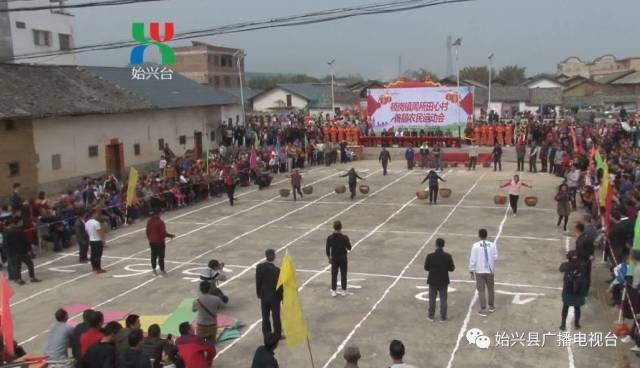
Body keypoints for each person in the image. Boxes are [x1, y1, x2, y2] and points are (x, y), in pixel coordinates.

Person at [469, 229, 498, 317]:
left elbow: (473, 259)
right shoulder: (492, 245)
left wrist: (471, 270)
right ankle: (491, 306)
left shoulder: (475, 246)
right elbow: (496, 257)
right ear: (486, 235)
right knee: (490, 289)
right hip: (490, 271)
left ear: (479, 235)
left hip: (479, 271)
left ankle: (483, 309)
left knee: (481, 290)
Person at [424, 238, 454, 322]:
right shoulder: (448, 256)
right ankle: (443, 317)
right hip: (443, 280)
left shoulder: (430, 256)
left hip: (432, 280)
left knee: (432, 299)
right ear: (443, 245)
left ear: (436, 245)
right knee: (443, 299)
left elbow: (426, 268)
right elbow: (452, 268)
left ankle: (431, 316)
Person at [3, 216, 40, 284]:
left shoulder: (6, 232)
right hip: (21, 251)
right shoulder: (19, 231)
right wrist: (28, 251)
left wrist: (7, 252)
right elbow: (24, 242)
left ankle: (18, 279)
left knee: (17, 266)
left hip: (12, 252)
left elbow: (5, 244)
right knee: (29, 263)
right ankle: (32, 277)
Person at [256, 249, 283, 339]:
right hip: (274, 297)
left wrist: (259, 293)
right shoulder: (277, 270)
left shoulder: (259, 267)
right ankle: (277, 334)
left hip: (264, 295)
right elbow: (280, 286)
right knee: (276, 316)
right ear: (273, 256)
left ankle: (266, 333)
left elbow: (258, 281)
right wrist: (282, 297)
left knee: (265, 316)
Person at [559, 250, 587, 331]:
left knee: (565, 307)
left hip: (568, 291)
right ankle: (577, 324)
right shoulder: (583, 266)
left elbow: (560, 269)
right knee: (577, 308)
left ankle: (563, 325)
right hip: (578, 292)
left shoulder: (565, 265)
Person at [326, 220, 352, 297]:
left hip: (334, 258)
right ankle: (344, 290)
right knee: (343, 274)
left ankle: (334, 290)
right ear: (341, 227)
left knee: (334, 274)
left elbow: (327, 249)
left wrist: (329, 258)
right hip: (343, 258)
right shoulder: (345, 237)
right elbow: (349, 247)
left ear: (333, 227)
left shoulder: (330, 238)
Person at [146, 211, 175, 276]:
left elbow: (147, 231)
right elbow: (163, 233)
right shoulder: (160, 222)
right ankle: (162, 270)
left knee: (153, 255)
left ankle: (154, 270)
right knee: (161, 256)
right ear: (158, 214)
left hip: (152, 242)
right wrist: (171, 235)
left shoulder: (149, 221)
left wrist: (150, 239)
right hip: (159, 242)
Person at [574, 222, 594, 294]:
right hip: (587, 260)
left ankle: (583, 290)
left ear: (578, 229)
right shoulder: (587, 237)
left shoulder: (581, 239)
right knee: (586, 275)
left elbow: (580, 251)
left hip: (583, 260)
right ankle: (585, 290)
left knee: (583, 276)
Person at [85, 209, 106, 274]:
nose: (97, 215)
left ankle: (94, 268)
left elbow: (86, 232)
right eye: (96, 214)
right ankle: (98, 268)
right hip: (97, 240)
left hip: (91, 240)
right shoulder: (96, 223)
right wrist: (103, 241)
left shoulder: (87, 223)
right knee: (98, 255)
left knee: (93, 255)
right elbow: (100, 232)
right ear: (94, 214)